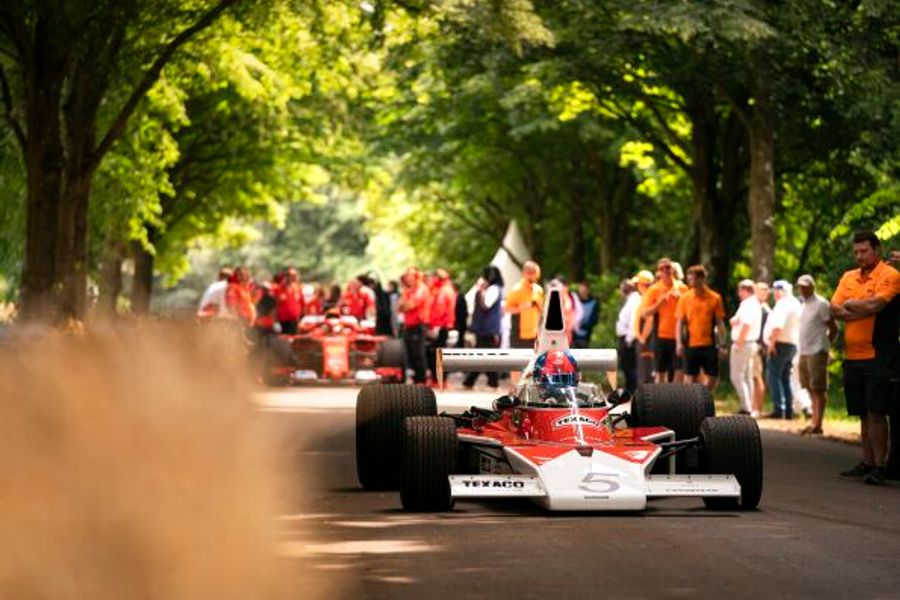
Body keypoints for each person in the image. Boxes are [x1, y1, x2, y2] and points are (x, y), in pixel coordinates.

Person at [831, 230, 900, 484]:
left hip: (879, 355)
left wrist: (850, 305)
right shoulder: (849, 276)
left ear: (877, 250)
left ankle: (881, 466)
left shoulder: (890, 275)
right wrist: (856, 306)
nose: (859, 256)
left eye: (864, 251)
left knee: (877, 411)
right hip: (853, 355)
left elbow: (877, 305)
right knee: (861, 411)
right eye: (856, 251)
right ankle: (867, 461)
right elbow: (834, 308)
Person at [796, 274, 837, 435]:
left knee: (818, 388)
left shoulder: (821, 304)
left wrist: (826, 345)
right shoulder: (803, 304)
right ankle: (813, 422)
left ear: (812, 287)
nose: (803, 289)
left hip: (817, 350)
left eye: (806, 286)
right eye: (800, 286)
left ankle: (818, 424)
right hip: (804, 351)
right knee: (809, 387)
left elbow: (833, 328)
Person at [675, 265, 726, 391]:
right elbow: (680, 322)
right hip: (691, 343)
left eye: (693, 279)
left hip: (709, 343)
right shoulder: (685, 298)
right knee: (690, 376)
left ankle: (704, 397)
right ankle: (690, 403)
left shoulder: (715, 298)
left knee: (713, 375)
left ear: (702, 279)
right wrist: (679, 343)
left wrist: (723, 344)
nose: (690, 281)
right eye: (689, 278)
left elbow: (720, 323)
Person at [638, 257, 686, 382]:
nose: (666, 270)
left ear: (672, 269)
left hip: (678, 337)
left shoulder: (682, 288)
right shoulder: (654, 289)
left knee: (679, 371)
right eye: (662, 268)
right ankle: (661, 399)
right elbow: (645, 313)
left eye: (668, 267)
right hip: (660, 336)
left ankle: (676, 399)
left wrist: (681, 298)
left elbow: (690, 311)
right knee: (660, 372)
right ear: (659, 272)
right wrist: (660, 302)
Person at [763, 280, 802, 419]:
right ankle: (788, 410)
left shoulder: (783, 304)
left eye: (776, 291)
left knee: (773, 376)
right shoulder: (796, 303)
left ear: (781, 291)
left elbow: (778, 326)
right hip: (792, 344)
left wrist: (771, 343)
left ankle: (779, 409)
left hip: (780, 344)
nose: (775, 295)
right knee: (785, 378)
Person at [464, 266, 504, 389]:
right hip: (485, 328)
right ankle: (475, 381)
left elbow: (486, 305)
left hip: (488, 329)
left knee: (485, 355)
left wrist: (481, 290)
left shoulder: (493, 289)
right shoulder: (493, 289)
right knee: (482, 355)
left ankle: (491, 382)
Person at [730, 280, 762, 416]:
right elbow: (736, 320)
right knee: (747, 376)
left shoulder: (749, 304)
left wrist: (739, 342)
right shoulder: (751, 304)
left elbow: (746, 325)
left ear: (746, 290)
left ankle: (747, 407)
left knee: (737, 376)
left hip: (744, 343)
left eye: (740, 290)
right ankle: (749, 406)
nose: (738, 294)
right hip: (749, 343)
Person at [398, 267, 431, 384]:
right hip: (409, 325)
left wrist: (404, 304)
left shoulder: (421, 289)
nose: (407, 278)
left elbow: (409, 306)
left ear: (416, 276)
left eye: (410, 276)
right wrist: (404, 303)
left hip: (418, 325)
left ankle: (421, 379)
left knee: (418, 353)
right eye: (406, 276)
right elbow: (399, 307)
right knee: (410, 353)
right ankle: (416, 377)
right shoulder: (408, 290)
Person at [426, 269, 457, 382]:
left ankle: (439, 379)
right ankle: (441, 379)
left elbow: (440, 309)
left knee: (436, 353)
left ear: (438, 278)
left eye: (434, 278)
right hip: (446, 325)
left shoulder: (443, 291)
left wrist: (433, 325)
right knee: (440, 353)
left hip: (441, 326)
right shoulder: (449, 289)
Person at [505, 260, 544, 350]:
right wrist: (520, 308)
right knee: (519, 362)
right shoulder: (516, 290)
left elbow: (542, 310)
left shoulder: (538, 290)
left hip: (536, 334)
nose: (535, 276)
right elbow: (506, 309)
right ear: (524, 273)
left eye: (536, 273)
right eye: (531, 273)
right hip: (519, 335)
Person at [615, 279, 641, 392]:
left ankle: (632, 392)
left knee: (630, 368)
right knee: (626, 368)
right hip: (626, 338)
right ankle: (630, 391)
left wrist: (629, 340)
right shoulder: (630, 300)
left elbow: (633, 321)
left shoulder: (634, 300)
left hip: (629, 339)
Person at [631, 270, 656, 386]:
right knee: (643, 370)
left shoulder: (649, 298)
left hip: (646, 341)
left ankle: (645, 399)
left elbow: (650, 320)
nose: (637, 287)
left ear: (642, 285)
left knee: (645, 370)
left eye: (638, 284)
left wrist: (642, 338)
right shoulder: (645, 297)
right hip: (644, 339)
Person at [751, 282, 771, 418]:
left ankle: (757, 408)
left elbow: (766, 330)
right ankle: (754, 407)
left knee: (757, 377)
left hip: (759, 346)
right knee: (754, 376)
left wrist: (763, 345)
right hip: (756, 345)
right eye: (758, 290)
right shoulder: (757, 306)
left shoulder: (765, 309)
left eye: (764, 290)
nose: (761, 292)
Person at [274, 267, 304, 334]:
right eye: (291, 275)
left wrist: (301, 317)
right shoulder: (278, 289)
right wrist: (275, 321)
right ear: (286, 276)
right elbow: (275, 305)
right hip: (283, 321)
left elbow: (302, 303)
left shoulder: (298, 288)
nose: (294, 277)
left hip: (295, 320)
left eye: (295, 275)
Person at [573, 282, 599, 348]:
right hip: (572, 335)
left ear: (588, 290)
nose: (582, 291)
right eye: (581, 289)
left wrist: (583, 326)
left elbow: (594, 320)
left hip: (585, 336)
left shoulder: (593, 303)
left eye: (584, 289)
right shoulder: (574, 301)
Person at [453, 280, 468, 348]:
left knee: (460, 339)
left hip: (460, 323)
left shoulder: (460, 297)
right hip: (458, 322)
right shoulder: (455, 296)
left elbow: (462, 311)